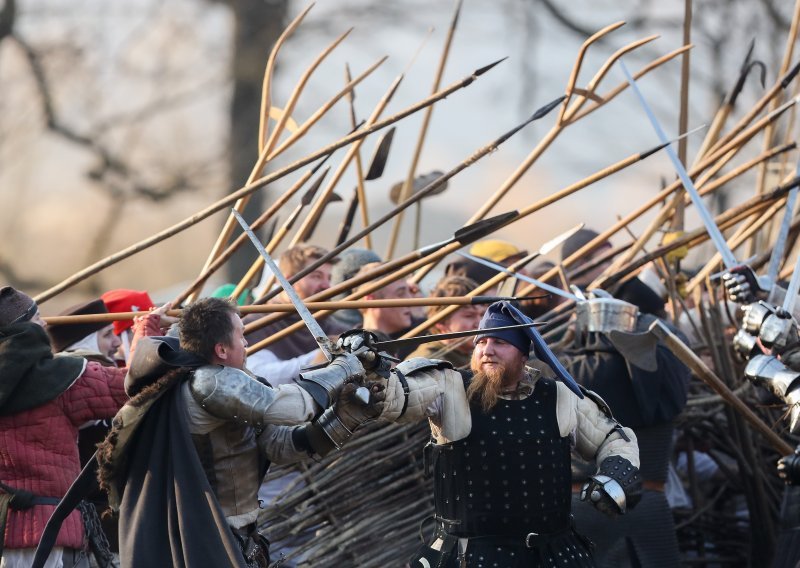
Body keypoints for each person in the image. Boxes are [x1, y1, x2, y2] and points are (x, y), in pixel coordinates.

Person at [95, 297, 382, 567]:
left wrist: (344, 416)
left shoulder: (232, 383)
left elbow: (280, 446)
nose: (246, 343)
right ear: (221, 349)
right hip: (205, 540)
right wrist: (347, 363)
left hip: (237, 536)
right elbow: (295, 408)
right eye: (240, 335)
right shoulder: (210, 383)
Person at [363, 300, 641, 567]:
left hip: (552, 554)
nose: (487, 350)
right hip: (468, 556)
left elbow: (614, 438)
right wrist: (371, 368)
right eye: (481, 342)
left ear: (523, 354)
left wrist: (615, 472)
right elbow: (396, 396)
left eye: (500, 342)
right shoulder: (447, 387)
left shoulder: (562, 397)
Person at [0, 286, 164, 568]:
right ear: (26, 330)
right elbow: (131, 386)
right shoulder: (60, 378)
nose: (45, 324)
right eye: (38, 318)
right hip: (48, 528)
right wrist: (146, 329)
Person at [558, 295, 690, 567]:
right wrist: (639, 318)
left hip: (585, 504)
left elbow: (527, 362)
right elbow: (675, 341)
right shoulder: (671, 369)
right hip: (648, 504)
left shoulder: (567, 369)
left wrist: (570, 329)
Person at [408, 275, 484, 369]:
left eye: (482, 314)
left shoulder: (480, 353)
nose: (480, 323)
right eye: (469, 316)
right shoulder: (427, 364)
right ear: (441, 322)